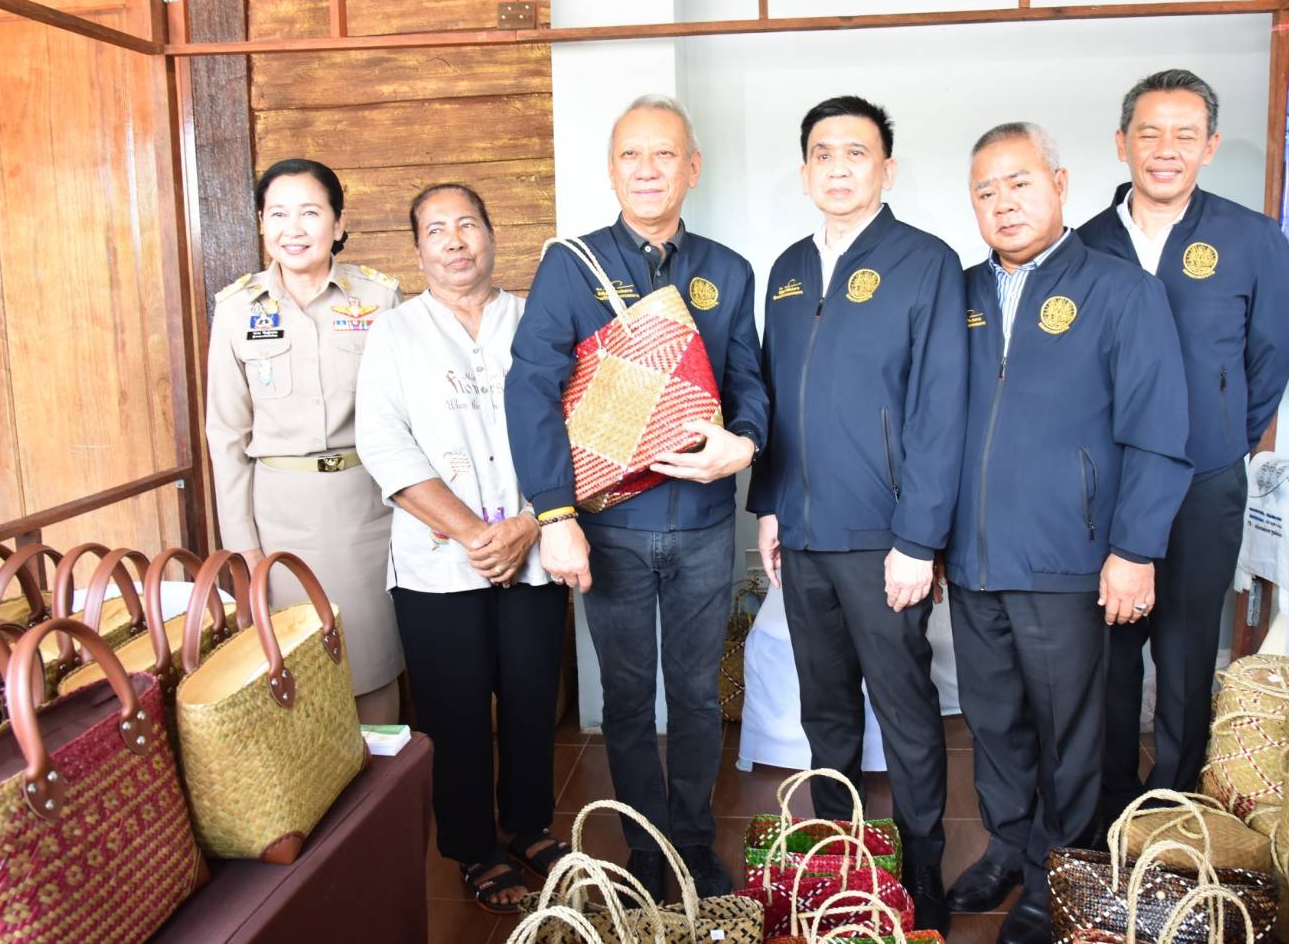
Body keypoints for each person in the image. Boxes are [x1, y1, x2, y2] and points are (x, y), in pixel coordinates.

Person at [505, 95, 769, 899]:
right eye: (630, 155)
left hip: (702, 524)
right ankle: (644, 850)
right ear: (611, 170)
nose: (647, 169)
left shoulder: (727, 270)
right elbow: (530, 388)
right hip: (609, 523)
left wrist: (744, 440)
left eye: (663, 154)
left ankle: (692, 843)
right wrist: (554, 515)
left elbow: (748, 381)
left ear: (693, 167)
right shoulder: (571, 264)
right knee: (624, 697)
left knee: (694, 697)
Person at [946, 123, 1191, 944]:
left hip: (1068, 555)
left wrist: (1134, 549)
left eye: (1019, 182)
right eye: (985, 190)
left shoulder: (1120, 291)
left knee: (1069, 729)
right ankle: (1008, 845)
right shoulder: (960, 295)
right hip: (974, 556)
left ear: (1058, 183)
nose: (1003, 202)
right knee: (992, 718)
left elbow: (1158, 431)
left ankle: (1060, 865)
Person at [747, 95, 965, 932]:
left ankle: (922, 868)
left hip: (883, 539)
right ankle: (839, 857)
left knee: (903, 707)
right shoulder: (788, 268)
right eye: (822, 154)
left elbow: (940, 410)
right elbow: (772, 394)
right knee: (824, 707)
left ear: (887, 169)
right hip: (802, 531)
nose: (837, 168)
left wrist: (918, 539)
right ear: (805, 170)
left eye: (856, 153)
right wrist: (769, 503)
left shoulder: (925, 262)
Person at [1077, 70, 1289, 819]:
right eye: (1148, 133)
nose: (1164, 149)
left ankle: (1175, 802)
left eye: (1183, 134)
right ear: (1121, 143)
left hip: (1205, 483)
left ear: (1209, 146)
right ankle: (1108, 801)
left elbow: (1269, 359)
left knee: (1185, 646)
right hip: (1106, 484)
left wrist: (1219, 437)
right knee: (1106, 650)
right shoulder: (1085, 245)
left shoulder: (1250, 238)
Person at [355, 183, 570, 912]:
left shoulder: (534, 318)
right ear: (417, 249)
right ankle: (475, 847)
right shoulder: (395, 331)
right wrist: (476, 533)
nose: (454, 241)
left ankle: (530, 827)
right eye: (436, 230)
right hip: (438, 561)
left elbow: (576, 425)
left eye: (468, 224)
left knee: (533, 698)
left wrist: (528, 524)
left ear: (491, 234)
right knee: (454, 710)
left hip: (534, 548)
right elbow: (383, 442)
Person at [205, 157, 404, 724]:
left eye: (310, 212)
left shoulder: (379, 298)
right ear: (261, 224)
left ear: (338, 223)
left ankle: (384, 780)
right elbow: (226, 433)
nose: (293, 229)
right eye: (278, 214)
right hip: (279, 515)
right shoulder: (237, 309)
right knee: (296, 669)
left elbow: (407, 413)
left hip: (366, 508)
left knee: (371, 663)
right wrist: (244, 545)